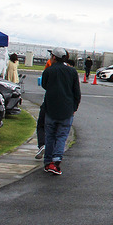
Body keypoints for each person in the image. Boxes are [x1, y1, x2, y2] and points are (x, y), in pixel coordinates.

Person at [39, 47, 81, 175]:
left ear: (54, 57)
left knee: (50, 135)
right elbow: (76, 92)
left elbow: (45, 85)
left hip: (50, 108)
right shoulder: (72, 72)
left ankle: (48, 162)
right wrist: (74, 107)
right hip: (67, 108)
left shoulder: (48, 71)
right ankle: (56, 161)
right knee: (62, 136)